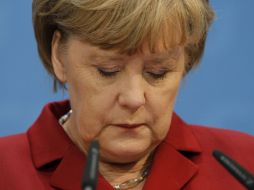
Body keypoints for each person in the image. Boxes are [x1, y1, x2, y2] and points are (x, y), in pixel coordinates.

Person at [0, 0, 254, 189]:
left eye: (158, 72)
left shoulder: (244, 162)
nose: (134, 98)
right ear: (59, 56)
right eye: (107, 70)